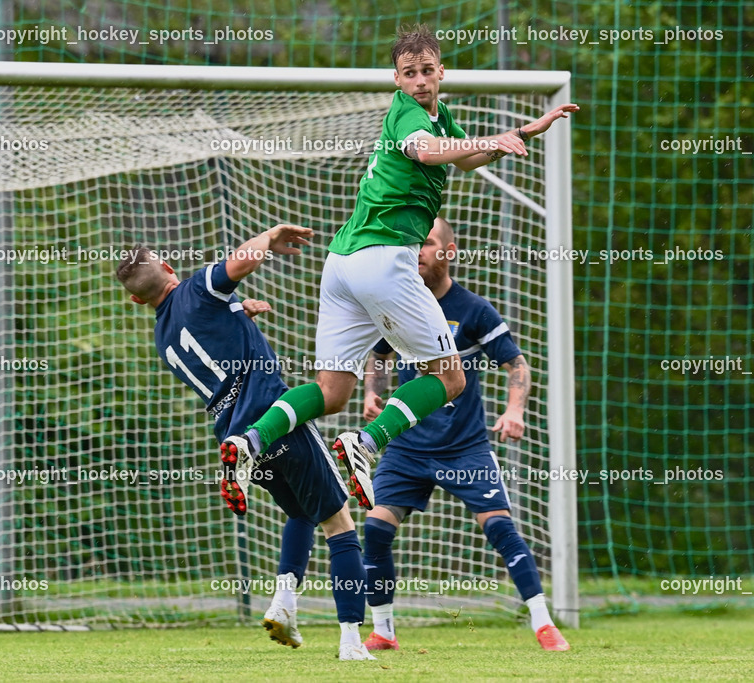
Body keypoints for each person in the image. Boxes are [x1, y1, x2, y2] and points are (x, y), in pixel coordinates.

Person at [220, 26, 579, 509]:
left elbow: (466, 158)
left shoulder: (439, 114)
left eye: (426, 71)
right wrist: (503, 135)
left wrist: (521, 133)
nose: (419, 81)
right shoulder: (409, 115)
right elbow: (427, 152)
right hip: (384, 261)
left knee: (331, 392)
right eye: (409, 74)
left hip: (342, 263)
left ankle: (249, 442)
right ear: (397, 79)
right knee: (450, 378)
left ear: (440, 72)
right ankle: (366, 445)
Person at [116, 224, 376, 660]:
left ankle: (283, 602)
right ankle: (352, 641)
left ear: (137, 300)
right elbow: (242, 261)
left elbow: (212, 337)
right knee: (339, 524)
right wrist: (269, 236)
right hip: (274, 419)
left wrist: (239, 312)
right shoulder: (197, 288)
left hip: (234, 436)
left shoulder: (164, 336)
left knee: (300, 512)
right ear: (167, 267)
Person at [360, 218, 570, 652]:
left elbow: (517, 364)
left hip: (464, 447)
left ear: (449, 252)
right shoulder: (398, 304)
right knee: (376, 529)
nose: (418, 250)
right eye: (413, 243)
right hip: (408, 447)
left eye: (429, 243)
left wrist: (514, 410)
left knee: (500, 529)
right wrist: (371, 393)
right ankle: (383, 630)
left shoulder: (474, 309)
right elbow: (377, 357)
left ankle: (544, 624)